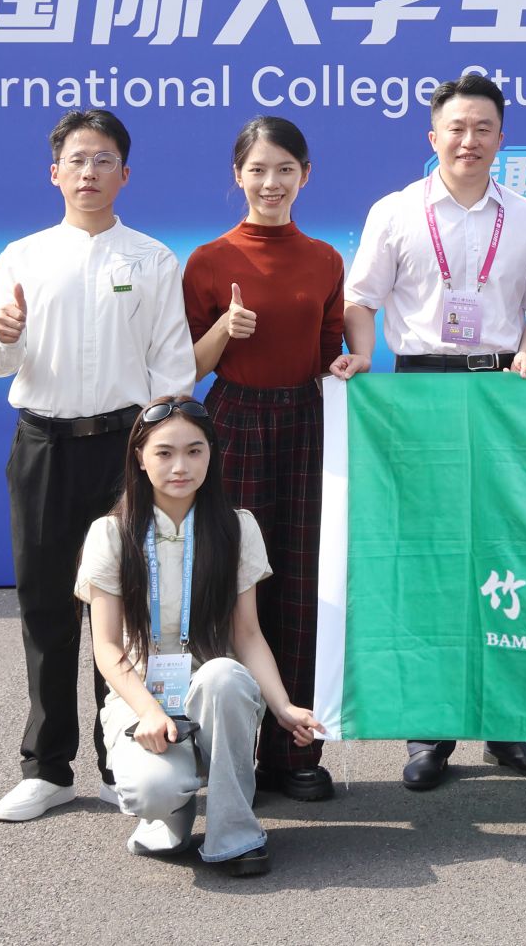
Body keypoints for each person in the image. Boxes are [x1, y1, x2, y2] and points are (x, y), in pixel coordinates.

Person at [342, 72, 526, 790]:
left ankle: (507, 725)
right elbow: (360, 298)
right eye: (456, 128)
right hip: (421, 392)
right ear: (432, 135)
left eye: (483, 128)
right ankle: (429, 730)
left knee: (505, 556)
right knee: (432, 561)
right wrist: (363, 353)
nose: (469, 140)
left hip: (503, 392)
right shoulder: (395, 211)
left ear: (502, 138)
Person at [0, 110, 196, 823]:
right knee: (46, 605)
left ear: (124, 174)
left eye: (104, 160)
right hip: (42, 445)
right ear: (55, 173)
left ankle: (118, 759)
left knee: (124, 605)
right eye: (76, 159)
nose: (89, 172)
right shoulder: (23, 257)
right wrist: (6, 336)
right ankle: (46, 767)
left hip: (124, 450)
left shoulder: (153, 259)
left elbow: (173, 366)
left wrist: (158, 452)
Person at [182, 115, 355, 803]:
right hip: (234, 421)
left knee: (304, 586)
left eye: (285, 169)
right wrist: (225, 329)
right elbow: (185, 369)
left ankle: (295, 751)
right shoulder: (208, 261)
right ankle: (230, 754)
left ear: (305, 176)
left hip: (307, 422)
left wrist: (346, 363)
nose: (271, 182)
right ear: (238, 176)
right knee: (234, 584)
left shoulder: (324, 259)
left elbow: (329, 352)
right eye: (257, 170)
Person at [78, 397, 323, 874]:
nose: (180, 466)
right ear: (140, 457)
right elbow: (107, 647)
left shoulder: (237, 528)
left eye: (194, 451)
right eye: (164, 453)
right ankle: (169, 811)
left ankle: (235, 833)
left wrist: (283, 707)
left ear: (212, 454)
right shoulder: (110, 534)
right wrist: (148, 710)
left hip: (213, 692)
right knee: (153, 792)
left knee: (224, 675)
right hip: (140, 696)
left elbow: (247, 634)